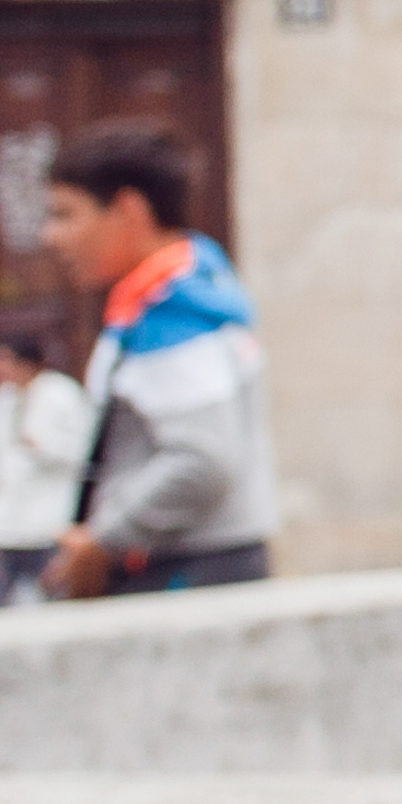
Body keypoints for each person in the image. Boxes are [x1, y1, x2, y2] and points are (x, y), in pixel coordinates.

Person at [35, 128, 271, 598]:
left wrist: (102, 542)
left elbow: (204, 462)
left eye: (66, 214)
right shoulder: (187, 290)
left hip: (182, 573)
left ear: (129, 211)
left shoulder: (172, 313)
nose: (51, 236)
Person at [0, 315, 94, 608]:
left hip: (49, 519)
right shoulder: (3, 398)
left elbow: (85, 452)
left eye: (3, 360)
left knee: (57, 597)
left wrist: (44, 447)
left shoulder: (61, 394)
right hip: (1, 520)